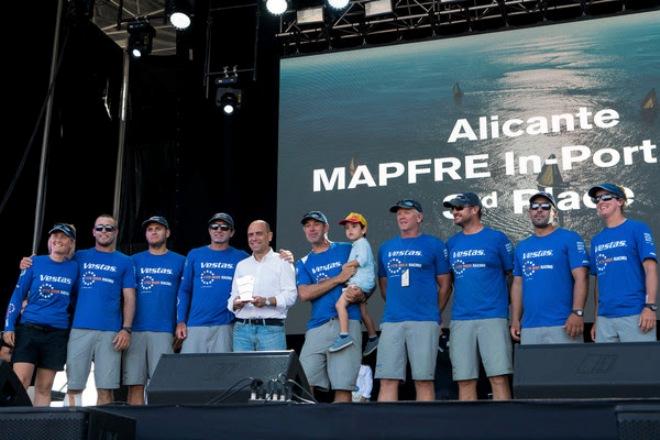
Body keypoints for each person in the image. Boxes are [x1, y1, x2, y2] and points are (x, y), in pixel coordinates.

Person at [376, 199, 451, 401]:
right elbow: (384, 284)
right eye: (399, 213)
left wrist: (435, 311)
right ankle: (385, 431)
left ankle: (426, 430)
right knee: (387, 379)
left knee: (424, 380)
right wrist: (397, 303)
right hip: (392, 320)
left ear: (419, 217)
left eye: (407, 212)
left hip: (424, 320)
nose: (401, 216)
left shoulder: (434, 245)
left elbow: (445, 284)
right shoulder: (386, 247)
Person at [444, 192, 514, 401]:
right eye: (452, 209)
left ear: (475, 209)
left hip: (493, 315)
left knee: (498, 377)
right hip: (461, 318)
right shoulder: (452, 243)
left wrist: (505, 306)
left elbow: (511, 275)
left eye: (459, 208)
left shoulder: (497, 238)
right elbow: (449, 282)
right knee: (464, 379)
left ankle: (505, 429)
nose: (454, 212)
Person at [2, 223, 78, 406]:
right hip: (29, 329)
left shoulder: (75, 267)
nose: (58, 240)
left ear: (71, 243)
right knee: (20, 382)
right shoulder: (34, 262)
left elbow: (76, 298)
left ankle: (39, 430)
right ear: (49, 241)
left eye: (63, 237)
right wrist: (8, 326)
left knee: (44, 387)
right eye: (55, 236)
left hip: (57, 334)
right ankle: (13, 429)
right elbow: (17, 295)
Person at [65, 214, 136, 406]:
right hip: (80, 328)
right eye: (100, 228)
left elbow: (129, 297)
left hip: (110, 331)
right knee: (74, 386)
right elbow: (57, 255)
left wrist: (126, 328)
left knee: (106, 388)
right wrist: (29, 262)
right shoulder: (80, 256)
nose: (104, 232)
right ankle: (71, 431)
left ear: (116, 232)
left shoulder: (125, 261)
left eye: (109, 228)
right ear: (93, 232)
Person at [296, 210, 364, 403]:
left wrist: (362, 293)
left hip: (347, 323)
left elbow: (365, 277)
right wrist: (338, 279)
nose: (311, 228)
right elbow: (305, 293)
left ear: (326, 227)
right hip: (318, 325)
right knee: (303, 385)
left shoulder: (346, 249)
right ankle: (309, 432)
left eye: (316, 224)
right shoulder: (303, 262)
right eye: (307, 225)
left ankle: (341, 433)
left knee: (343, 388)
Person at [510, 192, 590, 344]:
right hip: (530, 326)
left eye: (545, 206)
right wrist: (515, 319)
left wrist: (577, 312)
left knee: (568, 368)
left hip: (564, 324)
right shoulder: (522, 247)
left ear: (554, 212)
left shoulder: (570, 238)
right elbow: (518, 284)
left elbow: (582, 277)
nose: (539, 210)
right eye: (535, 206)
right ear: (529, 212)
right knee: (534, 369)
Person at [123, 216, 185, 405]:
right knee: (135, 384)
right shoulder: (132, 260)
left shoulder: (181, 261)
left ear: (167, 233)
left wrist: (180, 324)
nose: (154, 232)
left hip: (165, 330)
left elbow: (186, 295)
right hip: (136, 330)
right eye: (150, 229)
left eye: (158, 228)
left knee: (161, 386)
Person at [588, 183, 657, 342]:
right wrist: (597, 319)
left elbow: (651, 269)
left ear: (620, 201)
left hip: (635, 314)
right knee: (606, 367)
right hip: (604, 319)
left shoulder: (638, 229)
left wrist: (650, 307)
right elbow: (599, 282)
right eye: (597, 199)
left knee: (640, 366)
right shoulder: (597, 240)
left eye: (606, 197)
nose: (600, 202)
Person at [176, 213, 249, 353]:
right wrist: (180, 321)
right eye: (214, 227)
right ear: (209, 230)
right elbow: (184, 290)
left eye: (224, 227)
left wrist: (283, 257)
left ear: (232, 232)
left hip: (226, 325)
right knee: (191, 372)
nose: (219, 230)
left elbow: (261, 264)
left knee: (222, 373)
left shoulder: (242, 257)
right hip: (195, 324)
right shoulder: (195, 254)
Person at [228, 220, 297, 351]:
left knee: (272, 372)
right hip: (242, 330)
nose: (254, 238)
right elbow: (233, 296)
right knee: (243, 372)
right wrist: (235, 303)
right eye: (250, 235)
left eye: (258, 234)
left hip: (271, 330)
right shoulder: (242, 265)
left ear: (269, 236)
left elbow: (291, 296)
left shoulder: (283, 261)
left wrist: (266, 301)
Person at [329, 212, 378, 355]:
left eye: (354, 226)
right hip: (363, 282)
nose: (350, 230)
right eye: (347, 227)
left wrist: (346, 265)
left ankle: (344, 335)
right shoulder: (358, 244)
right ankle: (373, 337)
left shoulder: (361, 243)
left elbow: (361, 260)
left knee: (340, 304)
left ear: (363, 230)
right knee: (363, 311)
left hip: (359, 283)